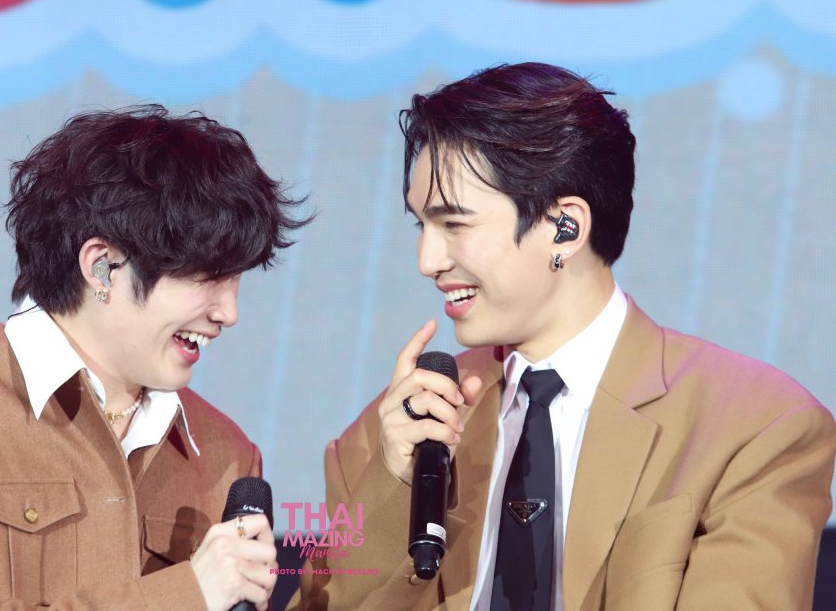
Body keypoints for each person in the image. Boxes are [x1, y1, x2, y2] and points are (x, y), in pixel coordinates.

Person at [291, 63, 836, 610]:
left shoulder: (754, 425)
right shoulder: (391, 432)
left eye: (454, 224)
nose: (427, 260)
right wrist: (395, 483)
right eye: (421, 226)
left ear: (564, 227)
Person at [0, 105, 308, 610]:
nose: (229, 313)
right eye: (207, 277)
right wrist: (186, 593)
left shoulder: (224, 452)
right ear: (102, 268)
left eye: (235, 281)